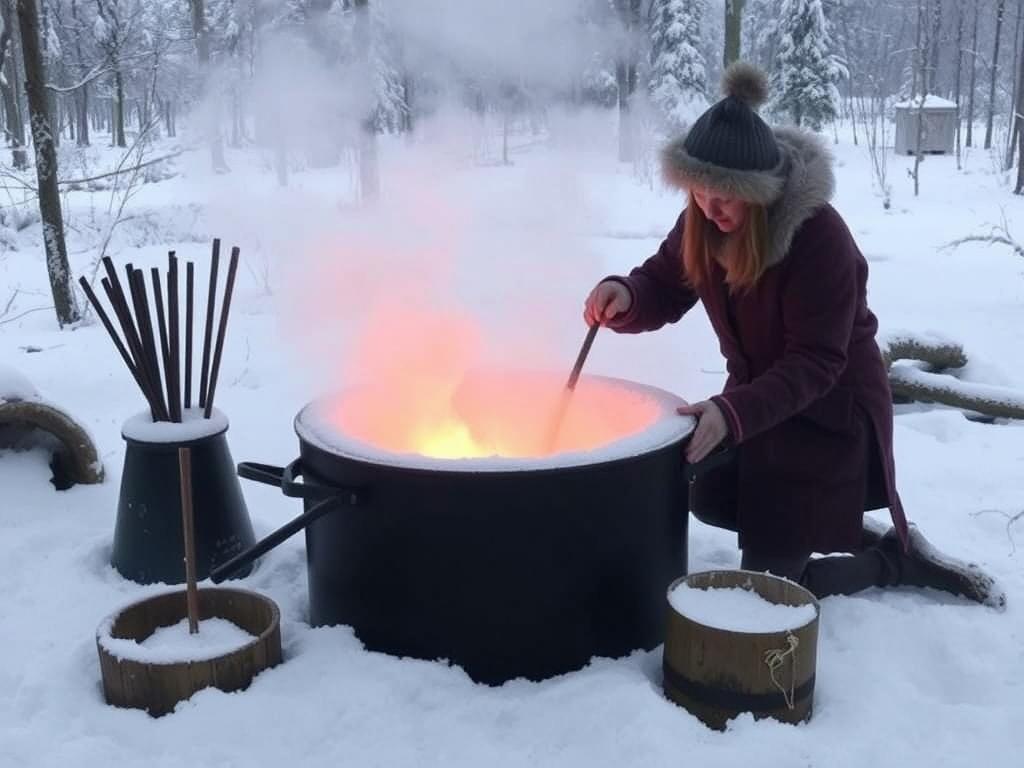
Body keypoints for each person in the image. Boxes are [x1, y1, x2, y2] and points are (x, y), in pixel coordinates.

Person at [584, 62, 1002, 607]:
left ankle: (895, 561)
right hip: (761, 403)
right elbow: (663, 281)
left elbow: (816, 362)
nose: (712, 208)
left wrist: (731, 415)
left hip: (826, 414)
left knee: (772, 593)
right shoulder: (704, 223)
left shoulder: (817, 238)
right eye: (701, 192)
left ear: (760, 191)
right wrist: (627, 295)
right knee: (705, 493)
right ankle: (833, 527)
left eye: (728, 195)